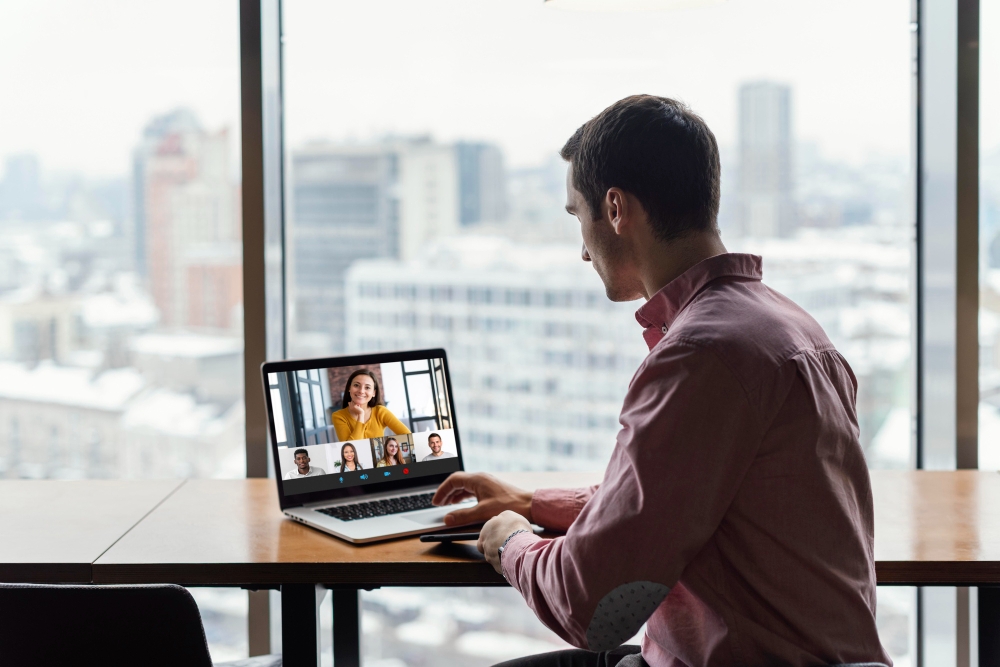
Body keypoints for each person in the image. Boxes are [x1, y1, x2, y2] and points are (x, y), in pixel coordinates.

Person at [432, 96, 891, 667]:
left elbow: (591, 607)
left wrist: (509, 540)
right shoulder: (793, 328)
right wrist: (532, 502)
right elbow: (679, 502)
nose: (582, 250)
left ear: (617, 209)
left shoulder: (699, 357)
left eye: (579, 217)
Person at [331, 370, 411, 441]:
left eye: (367, 387)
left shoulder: (380, 411)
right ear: (349, 388)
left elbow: (407, 435)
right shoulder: (338, 416)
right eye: (356, 385)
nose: (361, 391)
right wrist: (360, 416)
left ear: (374, 393)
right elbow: (351, 448)